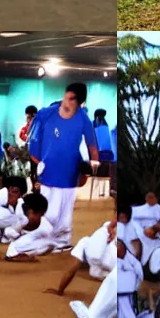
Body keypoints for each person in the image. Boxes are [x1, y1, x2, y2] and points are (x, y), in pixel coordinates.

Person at [27, 81, 97, 249]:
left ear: (79, 103)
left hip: (70, 172)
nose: (67, 103)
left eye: (72, 100)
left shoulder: (83, 119)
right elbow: (34, 138)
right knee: (48, 209)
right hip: (48, 170)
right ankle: (43, 236)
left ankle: (62, 241)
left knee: (65, 210)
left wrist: (93, 161)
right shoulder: (46, 114)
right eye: (66, 98)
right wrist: (37, 159)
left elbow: (92, 143)